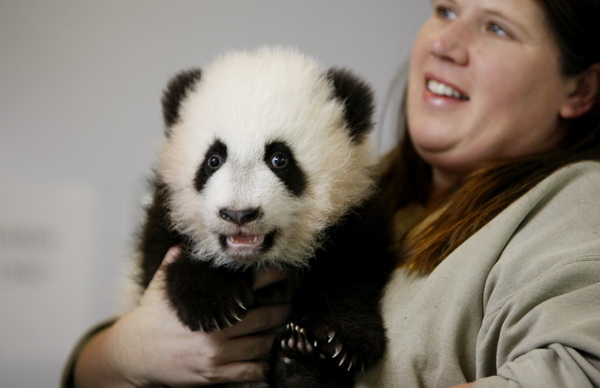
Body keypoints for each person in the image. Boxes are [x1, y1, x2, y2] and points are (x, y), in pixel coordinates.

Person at [63, 0, 600, 386]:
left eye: (498, 27)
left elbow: (576, 373)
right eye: (445, 9)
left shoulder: (577, 203)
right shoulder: (376, 187)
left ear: (579, 89)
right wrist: (123, 353)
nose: (445, 43)